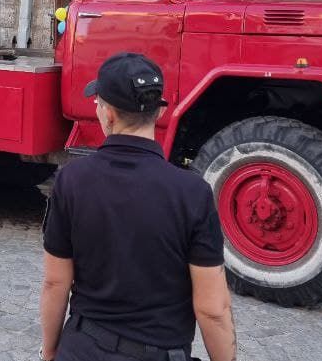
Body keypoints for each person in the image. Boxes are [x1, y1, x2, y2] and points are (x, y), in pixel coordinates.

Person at [40, 52, 236, 361]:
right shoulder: (193, 193)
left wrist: (51, 350)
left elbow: (55, 282)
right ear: (157, 113)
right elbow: (213, 309)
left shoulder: (71, 181)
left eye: (98, 103)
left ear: (109, 115)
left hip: (83, 348)